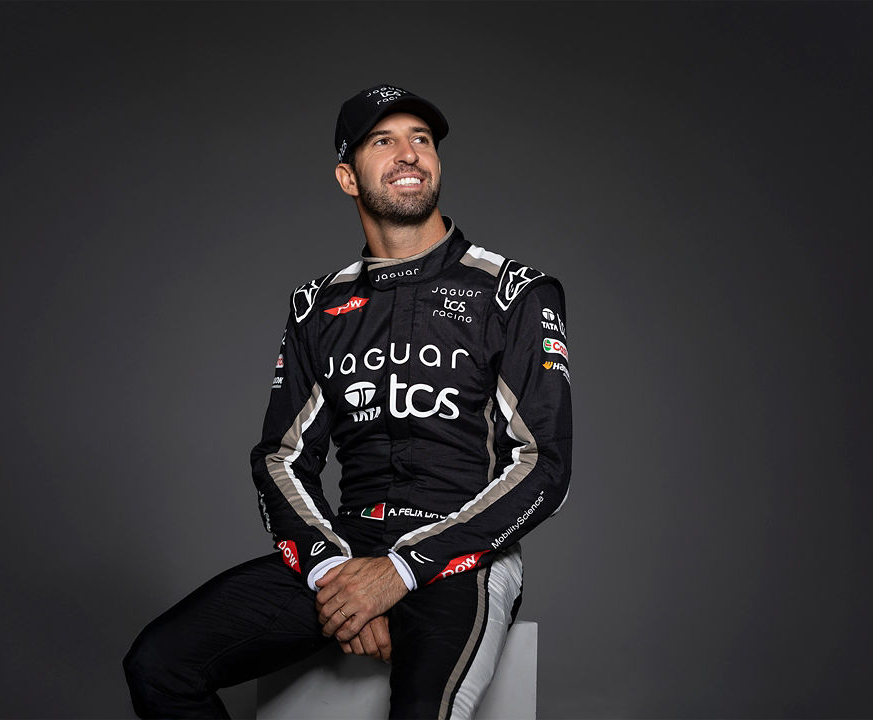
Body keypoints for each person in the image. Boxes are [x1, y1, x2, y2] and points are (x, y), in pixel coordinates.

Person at [123, 83, 572, 720]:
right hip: (349, 547)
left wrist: (400, 572)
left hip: (463, 559)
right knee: (160, 665)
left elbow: (543, 466)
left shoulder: (514, 292)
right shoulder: (318, 306)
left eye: (422, 139)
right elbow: (280, 458)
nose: (409, 153)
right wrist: (335, 576)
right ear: (347, 177)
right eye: (383, 141)